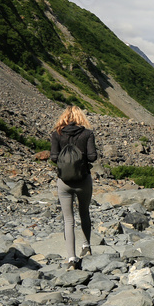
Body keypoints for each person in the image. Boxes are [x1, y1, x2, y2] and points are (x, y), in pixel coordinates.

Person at [50, 105, 98, 270]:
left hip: (64, 182)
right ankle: (86, 246)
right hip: (83, 180)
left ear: (64, 118)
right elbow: (92, 157)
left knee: (68, 219)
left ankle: (71, 258)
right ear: (80, 118)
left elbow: (54, 157)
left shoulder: (56, 134)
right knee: (84, 213)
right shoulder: (87, 134)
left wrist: (66, 158)